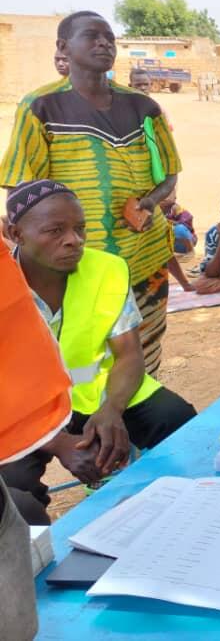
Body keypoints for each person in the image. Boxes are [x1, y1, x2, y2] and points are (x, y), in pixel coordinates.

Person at [0, 181, 195, 525]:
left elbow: (129, 354)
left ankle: (186, 515)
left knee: (178, 420)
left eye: (80, 228)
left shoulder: (106, 269)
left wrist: (111, 410)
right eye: (55, 230)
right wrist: (59, 443)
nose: (73, 239)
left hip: (99, 396)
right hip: (25, 415)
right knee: (14, 488)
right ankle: (41, 565)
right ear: (17, 234)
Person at [0, 11, 182, 377]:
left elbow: (170, 172)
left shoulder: (144, 106)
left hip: (144, 256)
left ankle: (139, 425)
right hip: (75, 261)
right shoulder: (40, 106)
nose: (104, 43)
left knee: (144, 358)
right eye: (92, 36)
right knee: (80, 355)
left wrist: (147, 203)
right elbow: (21, 186)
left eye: (109, 37)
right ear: (63, 47)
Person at [1, 236, 72, 639]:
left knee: (25, 511)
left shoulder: (105, 271)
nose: (72, 239)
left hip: (48, 420)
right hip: (37, 429)